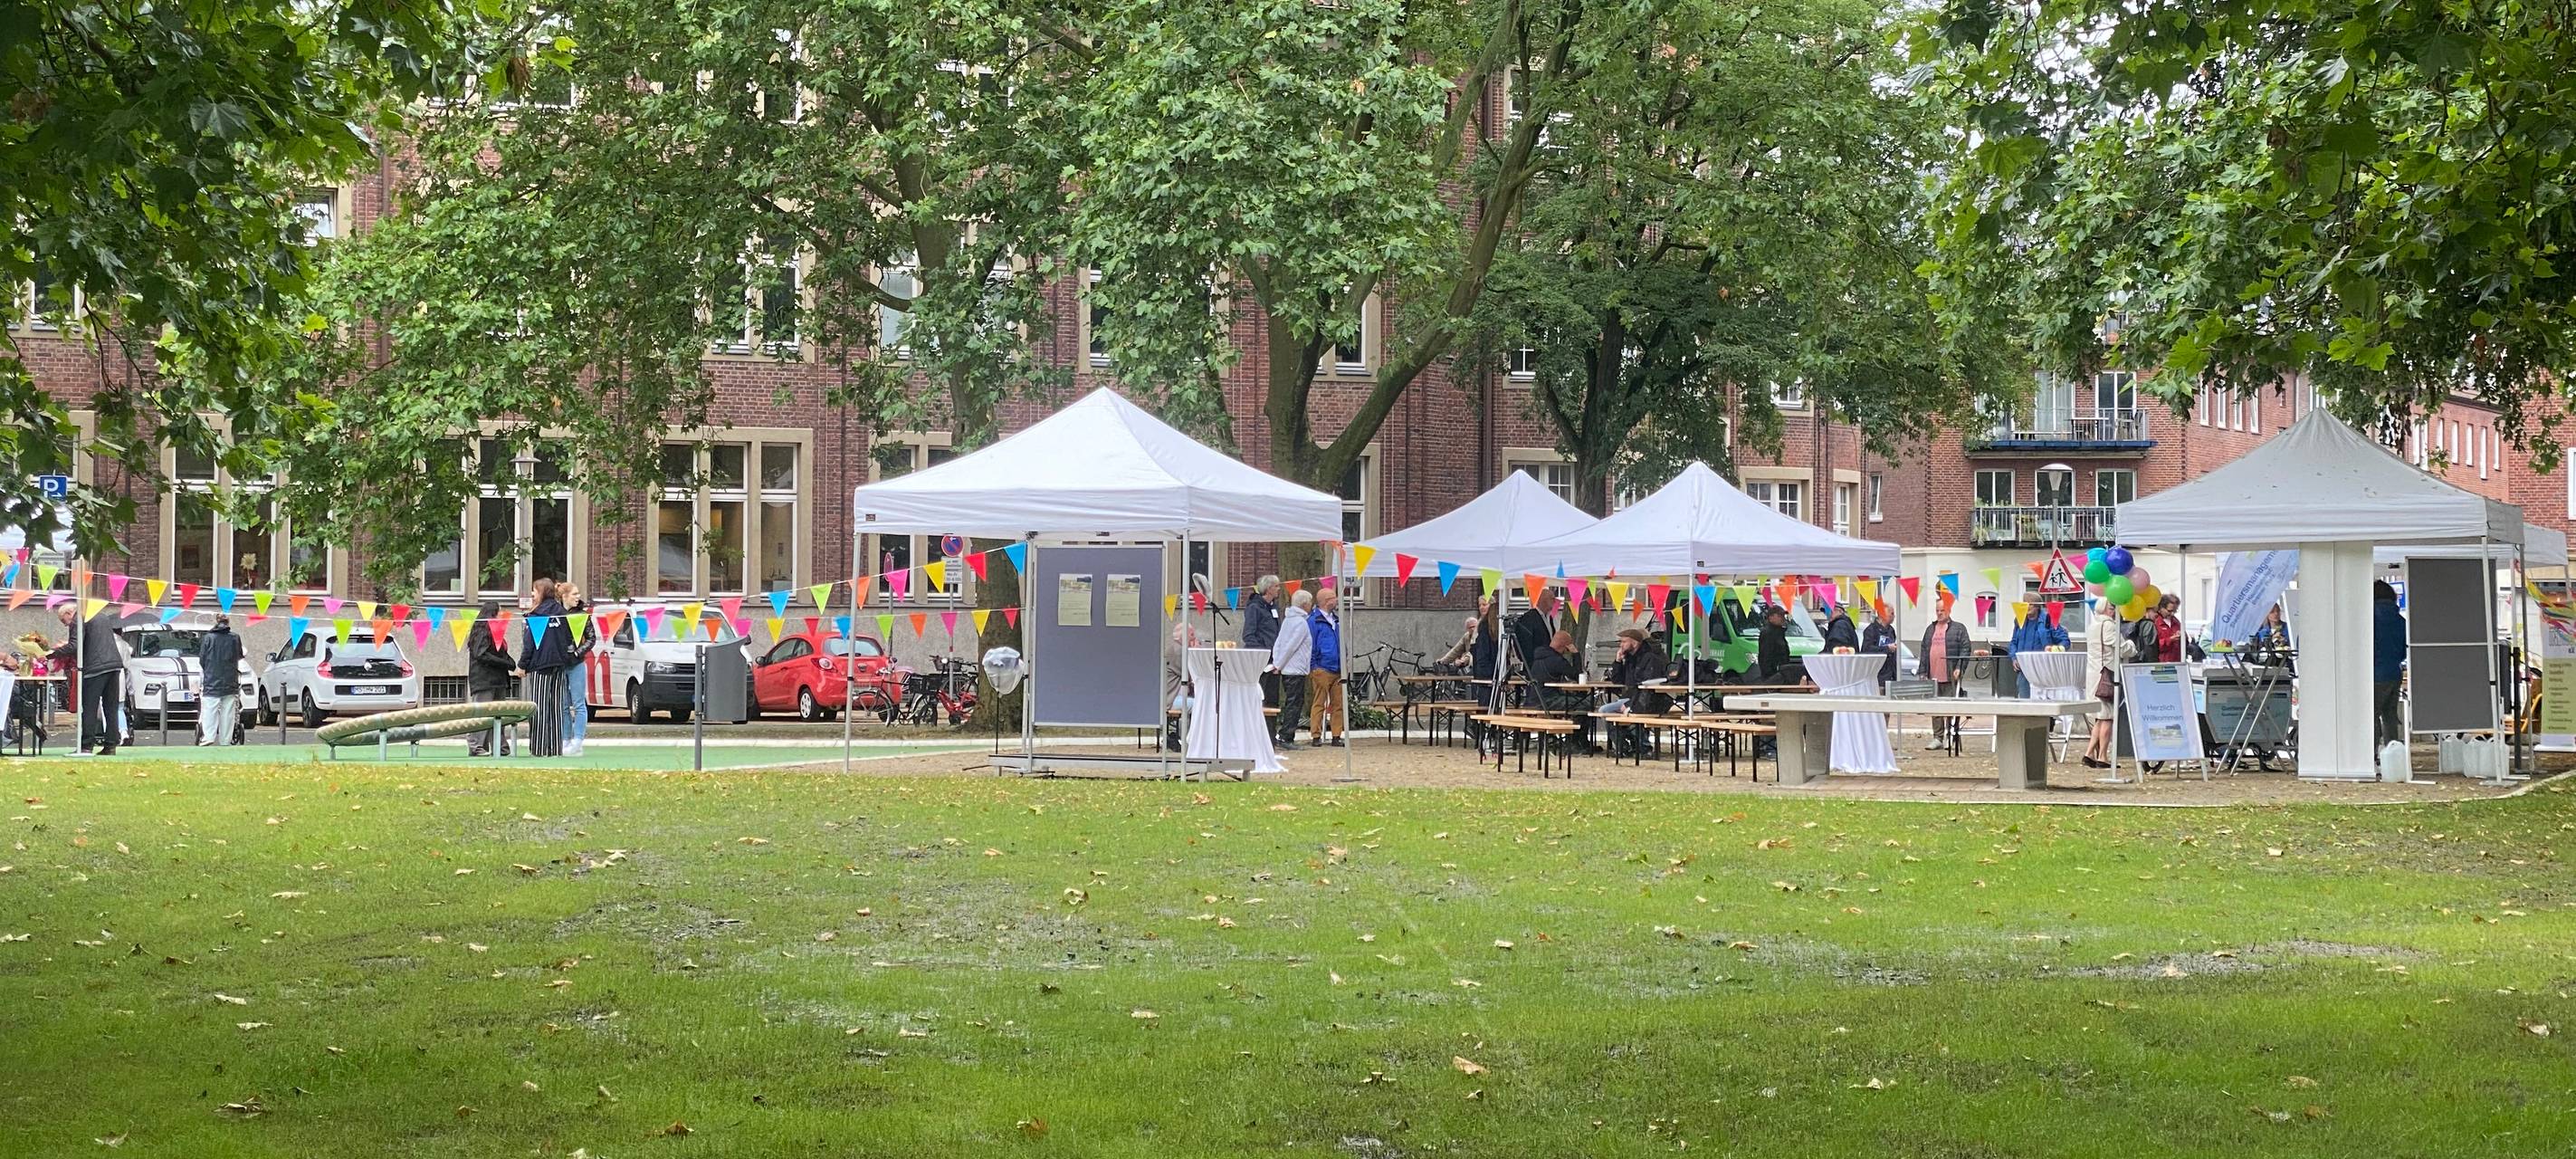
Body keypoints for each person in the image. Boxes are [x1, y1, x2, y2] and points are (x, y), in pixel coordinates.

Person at [518, 579, 573, 757]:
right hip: (559, 665)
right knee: (556, 707)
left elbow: (529, 644)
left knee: (539, 707)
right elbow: (571, 638)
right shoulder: (563, 614)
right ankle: (555, 748)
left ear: (541, 592)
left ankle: (539, 749)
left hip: (540, 665)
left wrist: (522, 665)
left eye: (534, 591)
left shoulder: (536, 616)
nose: (532, 594)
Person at [1603, 627, 1670, 756]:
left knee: (1622, 712)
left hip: (1646, 700)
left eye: (1624, 642)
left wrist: (1629, 706)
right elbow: (1618, 680)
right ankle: (1624, 746)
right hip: (1630, 698)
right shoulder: (1629, 658)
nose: (1621, 645)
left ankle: (1643, 746)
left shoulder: (1650, 658)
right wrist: (1617, 661)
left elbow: (1646, 686)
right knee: (1604, 711)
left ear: (1634, 643)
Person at [1526, 628, 1596, 751]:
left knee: (1578, 702)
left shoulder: (1538, 656)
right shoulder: (1556, 660)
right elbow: (1576, 674)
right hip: (1547, 701)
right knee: (1586, 704)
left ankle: (1577, 741)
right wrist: (1575, 654)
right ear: (1565, 646)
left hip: (1533, 699)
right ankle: (1577, 742)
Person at [465, 599, 516, 756]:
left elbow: (499, 652)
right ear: (492, 613)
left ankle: (500, 747)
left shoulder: (496, 631)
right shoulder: (482, 630)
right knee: (482, 713)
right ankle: (476, 746)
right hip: (484, 679)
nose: (502, 613)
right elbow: (482, 654)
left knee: (497, 714)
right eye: (500, 611)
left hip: (497, 679)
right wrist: (506, 663)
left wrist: (511, 663)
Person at [1919, 599, 1970, 750]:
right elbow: (1924, 650)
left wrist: (1960, 668)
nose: (1939, 613)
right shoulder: (1930, 629)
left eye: (1942, 610)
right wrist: (1922, 671)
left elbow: (1965, 649)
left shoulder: (1959, 629)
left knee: (1949, 707)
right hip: (1933, 675)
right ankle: (1937, 737)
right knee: (1935, 708)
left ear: (1949, 611)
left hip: (1950, 676)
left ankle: (1950, 736)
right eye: (1937, 611)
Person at [2082, 596, 2123, 768]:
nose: (2114, 611)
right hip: (2106, 676)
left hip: (2094, 674)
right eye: (2112, 608)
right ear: (2106, 609)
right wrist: (2130, 646)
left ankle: (2089, 753)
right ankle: (2103, 756)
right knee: (2107, 717)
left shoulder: (2092, 626)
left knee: (2099, 718)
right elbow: (2119, 646)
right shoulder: (2109, 626)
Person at [1269, 589, 1313, 748]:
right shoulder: (1300, 623)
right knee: (1294, 703)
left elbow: (1280, 642)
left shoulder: (1288, 620)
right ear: (1304, 604)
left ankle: (1286, 735)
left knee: (1292, 702)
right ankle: (1287, 736)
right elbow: (1291, 646)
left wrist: (1277, 661)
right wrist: (1278, 664)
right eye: (1309, 603)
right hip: (1295, 669)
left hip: (1289, 667)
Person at [196, 614, 245, 746]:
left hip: (212, 679)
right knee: (228, 711)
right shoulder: (235, 638)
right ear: (228, 623)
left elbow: (202, 659)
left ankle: (209, 736)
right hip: (230, 679)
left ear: (216, 622)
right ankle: (225, 740)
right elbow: (239, 655)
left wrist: (209, 670)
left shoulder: (208, 638)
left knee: (209, 709)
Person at [1306, 586, 1346, 747]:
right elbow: (1311, 643)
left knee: (1338, 704)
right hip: (1321, 667)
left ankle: (1336, 734)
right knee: (1319, 702)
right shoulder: (1313, 621)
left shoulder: (1336, 619)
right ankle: (1316, 735)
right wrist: (1314, 666)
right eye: (1333, 598)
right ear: (1325, 601)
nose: (1336, 600)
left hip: (1337, 667)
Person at [558, 583, 594, 756]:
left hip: (577, 662)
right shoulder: (557, 613)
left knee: (579, 703)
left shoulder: (582, 615)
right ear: (564, 596)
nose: (577, 597)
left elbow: (591, 638)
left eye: (578, 593)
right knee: (564, 704)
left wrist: (577, 653)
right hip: (560, 663)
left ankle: (578, 740)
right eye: (574, 594)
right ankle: (565, 738)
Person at [2008, 603, 2069, 696]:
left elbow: (2064, 641)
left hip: (2044, 669)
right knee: (2025, 702)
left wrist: (2055, 649)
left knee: (2043, 702)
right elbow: (2013, 642)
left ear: (2037, 606)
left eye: (2030, 604)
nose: (2027, 606)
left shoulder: (2048, 620)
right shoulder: (2019, 620)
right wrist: (2014, 658)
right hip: (2024, 669)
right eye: (2025, 604)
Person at [2373, 580, 2407, 746]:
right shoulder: (2401, 621)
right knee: (2390, 717)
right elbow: (2403, 652)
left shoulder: (2369, 618)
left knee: (2370, 716)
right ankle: (2393, 753)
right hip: (2394, 673)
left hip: (2374, 674)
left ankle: (2370, 756)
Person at [1241, 575, 1282, 707]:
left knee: (1272, 698)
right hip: (1260, 660)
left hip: (1273, 660)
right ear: (1269, 589)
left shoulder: (1274, 607)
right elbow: (1248, 635)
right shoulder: (1254, 607)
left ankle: (1270, 727)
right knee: (1260, 696)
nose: (1279, 589)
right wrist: (1263, 652)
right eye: (1276, 586)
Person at [1860, 603, 1899, 689]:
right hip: (1877, 675)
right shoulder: (1871, 630)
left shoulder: (1891, 630)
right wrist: (1887, 648)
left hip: (1890, 674)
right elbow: (1866, 650)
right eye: (1891, 614)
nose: (1894, 616)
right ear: (1882, 614)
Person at [1754, 604, 1795, 684]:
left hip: (1783, 673)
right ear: (1771, 617)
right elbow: (1765, 655)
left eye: (1783, 616)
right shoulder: (1767, 633)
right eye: (1780, 616)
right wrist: (1770, 673)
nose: (1783, 618)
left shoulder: (1780, 632)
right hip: (1773, 675)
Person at [2249, 603, 2293, 667]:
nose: (2276, 614)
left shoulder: (2288, 628)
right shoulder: (2261, 631)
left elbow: (2293, 644)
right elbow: (2256, 649)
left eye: (2278, 611)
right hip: (2266, 664)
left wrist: (2285, 642)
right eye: (2272, 612)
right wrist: (2270, 640)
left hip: (2286, 664)